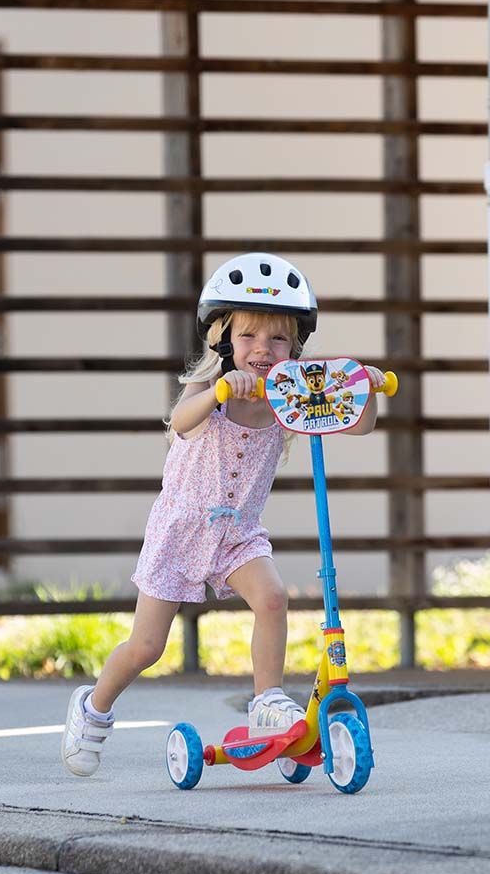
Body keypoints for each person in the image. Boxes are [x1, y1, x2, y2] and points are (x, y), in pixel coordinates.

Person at [61, 253, 386, 777]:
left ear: (295, 346)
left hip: (237, 535)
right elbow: (181, 421)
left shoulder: (291, 398)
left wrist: (363, 390)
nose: (263, 350)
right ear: (223, 341)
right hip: (181, 530)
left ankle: (267, 701)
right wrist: (217, 390)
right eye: (249, 337)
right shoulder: (210, 389)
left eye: (278, 339)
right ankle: (92, 709)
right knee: (146, 646)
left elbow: (357, 425)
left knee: (274, 597)